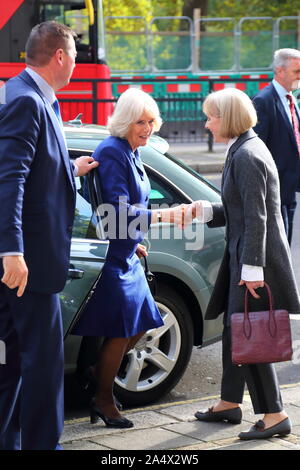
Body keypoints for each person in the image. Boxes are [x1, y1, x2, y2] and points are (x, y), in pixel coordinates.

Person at [0, 21, 98, 450]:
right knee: (41, 363)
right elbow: (9, 179)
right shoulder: (27, 101)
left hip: (26, 260)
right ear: (60, 56)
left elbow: (33, 171)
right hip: (29, 264)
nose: (76, 63)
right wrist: (12, 251)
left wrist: (69, 170)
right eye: (75, 55)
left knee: (10, 361)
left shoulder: (28, 94)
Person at [72, 88, 194, 428]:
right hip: (112, 258)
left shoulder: (130, 150)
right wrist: (169, 216)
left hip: (126, 252)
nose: (148, 128)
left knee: (144, 323)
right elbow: (119, 211)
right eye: (140, 121)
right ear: (126, 120)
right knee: (124, 329)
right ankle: (103, 398)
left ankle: (98, 377)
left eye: (152, 121)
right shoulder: (114, 151)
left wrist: (135, 241)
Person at [193, 88, 300, 440]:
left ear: (229, 118)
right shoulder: (244, 147)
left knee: (249, 335)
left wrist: (252, 270)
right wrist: (207, 211)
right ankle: (229, 402)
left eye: (212, 117)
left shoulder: (247, 155)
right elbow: (243, 208)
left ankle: (275, 414)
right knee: (233, 331)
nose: (207, 124)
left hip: (255, 262)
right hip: (245, 255)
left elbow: (258, 219)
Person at [253, 48, 300, 245]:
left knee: (285, 245)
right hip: (275, 188)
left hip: (290, 186)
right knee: (278, 247)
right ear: (280, 71)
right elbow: (258, 148)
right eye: (297, 71)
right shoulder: (263, 101)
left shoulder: (292, 98)